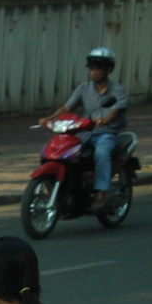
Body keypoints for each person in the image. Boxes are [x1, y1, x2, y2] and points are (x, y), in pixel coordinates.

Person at [40, 47, 128, 213]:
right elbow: (67, 107)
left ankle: (101, 194)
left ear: (108, 69)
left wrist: (106, 119)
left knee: (101, 153)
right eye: (92, 68)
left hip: (106, 133)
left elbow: (117, 109)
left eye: (98, 68)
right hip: (85, 132)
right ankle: (59, 187)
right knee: (58, 150)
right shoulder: (83, 89)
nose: (94, 72)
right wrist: (50, 118)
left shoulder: (117, 90)